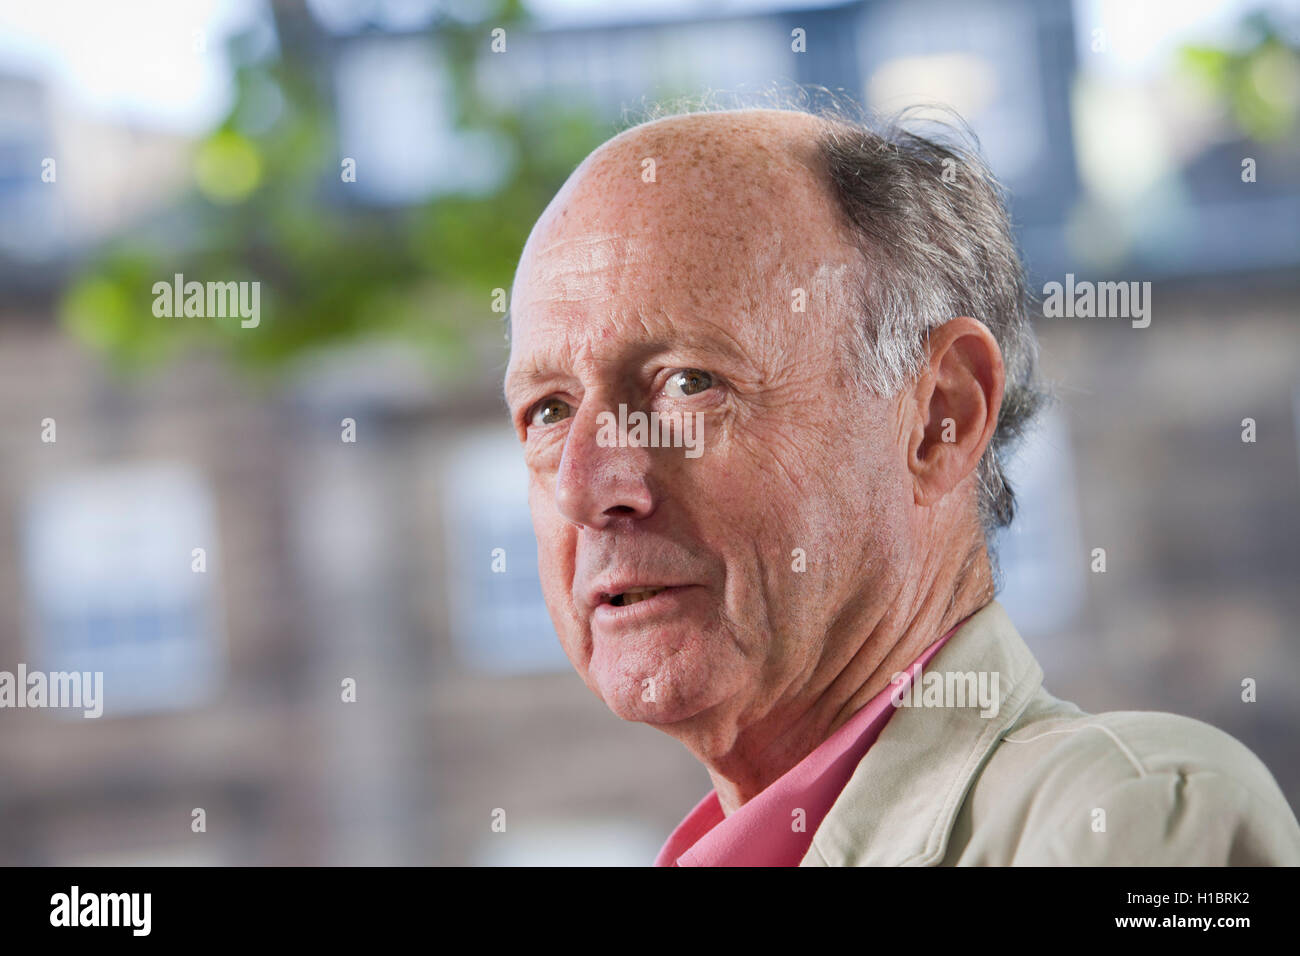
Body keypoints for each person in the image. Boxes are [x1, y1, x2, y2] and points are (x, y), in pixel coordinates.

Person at [501, 104, 1300, 865]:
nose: (586, 486)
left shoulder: (1136, 819)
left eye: (687, 384)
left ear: (938, 417)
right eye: (549, 410)